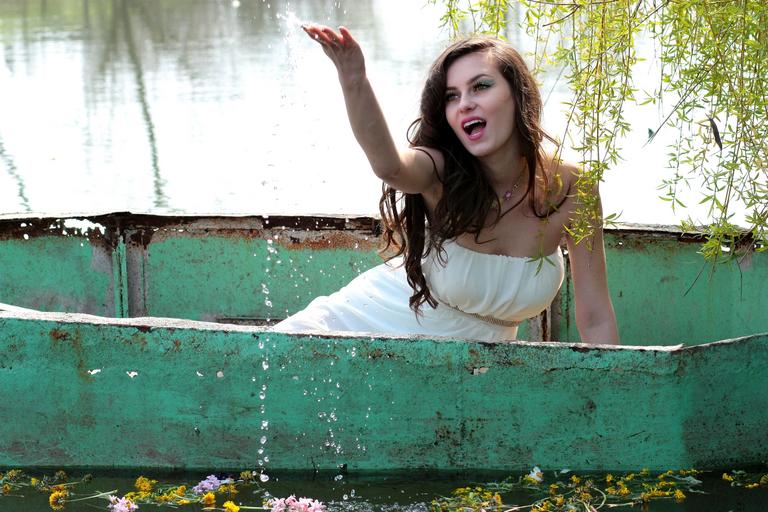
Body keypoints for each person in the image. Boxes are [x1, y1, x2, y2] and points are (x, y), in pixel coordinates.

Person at [273, 24, 619, 344]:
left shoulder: (573, 188)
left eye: (481, 86)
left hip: (475, 367)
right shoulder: (441, 170)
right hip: (374, 324)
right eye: (452, 96)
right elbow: (391, 167)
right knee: (277, 355)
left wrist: (613, 389)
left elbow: (596, 317)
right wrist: (354, 80)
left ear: (519, 96)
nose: (464, 103)